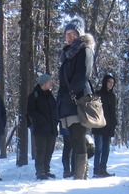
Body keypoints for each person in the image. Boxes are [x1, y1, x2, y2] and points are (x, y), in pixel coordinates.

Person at [56, 18, 95, 180]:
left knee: (78, 139)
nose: (69, 37)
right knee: (72, 140)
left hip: (78, 101)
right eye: (67, 34)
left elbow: (82, 76)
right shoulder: (66, 54)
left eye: (72, 34)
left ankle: (80, 178)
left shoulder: (85, 50)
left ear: (79, 34)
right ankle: (78, 175)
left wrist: (72, 92)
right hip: (67, 103)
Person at [26, 73, 58, 180]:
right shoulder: (34, 96)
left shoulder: (50, 96)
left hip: (51, 129)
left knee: (49, 150)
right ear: (44, 83)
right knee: (41, 151)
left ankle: (46, 169)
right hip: (40, 129)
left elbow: (54, 110)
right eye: (49, 82)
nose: (51, 84)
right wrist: (41, 120)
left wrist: (55, 121)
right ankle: (40, 171)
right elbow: (31, 112)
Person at [92, 73, 118, 178]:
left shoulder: (113, 96)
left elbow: (113, 111)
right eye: (109, 82)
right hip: (98, 126)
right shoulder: (97, 94)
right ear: (105, 82)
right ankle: (96, 170)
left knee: (106, 149)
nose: (111, 84)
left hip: (109, 127)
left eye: (112, 83)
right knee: (98, 148)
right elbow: (93, 109)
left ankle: (103, 169)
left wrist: (114, 124)